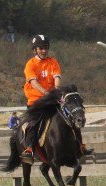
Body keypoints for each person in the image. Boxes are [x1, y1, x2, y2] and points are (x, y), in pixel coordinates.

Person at [22, 34, 91, 162]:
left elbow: (57, 78)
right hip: (36, 101)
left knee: (70, 117)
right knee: (32, 122)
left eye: (46, 48)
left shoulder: (53, 62)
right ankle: (29, 149)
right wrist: (45, 93)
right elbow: (33, 82)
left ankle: (81, 146)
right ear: (35, 50)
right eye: (41, 48)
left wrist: (56, 91)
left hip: (52, 98)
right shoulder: (30, 64)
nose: (44, 50)